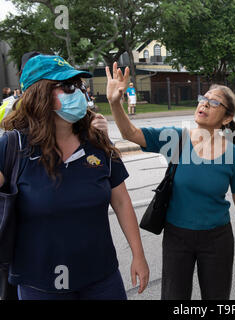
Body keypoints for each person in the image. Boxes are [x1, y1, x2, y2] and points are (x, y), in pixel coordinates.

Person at [0, 54, 149, 300]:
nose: (79, 93)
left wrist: (138, 255)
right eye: (67, 86)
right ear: (39, 94)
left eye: (79, 86)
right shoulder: (13, 147)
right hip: (39, 284)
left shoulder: (98, 142)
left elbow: (122, 202)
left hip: (102, 278)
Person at [106, 62, 235, 300]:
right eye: (203, 98)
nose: (204, 103)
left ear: (227, 118)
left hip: (218, 238)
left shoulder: (232, 154)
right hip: (177, 236)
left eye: (214, 102)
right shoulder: (175, 138)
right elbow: (130, 134)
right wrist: (115, 103)